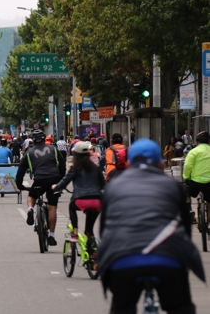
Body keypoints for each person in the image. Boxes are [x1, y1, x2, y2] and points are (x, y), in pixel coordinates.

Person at [98, 139, 204, 314]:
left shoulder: (114, 187)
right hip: (167, 258)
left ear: (129, 162)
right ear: (159, 163)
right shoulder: (172, 186)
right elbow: (185, 228)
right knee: (181, 307)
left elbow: (105, 230)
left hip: (124, 259)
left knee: (122, 307)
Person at [16, 129, 66, 246]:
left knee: (32, 196)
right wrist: (60, 181)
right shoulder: (53, 149)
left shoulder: (29, 152)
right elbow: (62, 166)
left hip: (39, 179)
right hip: (54, 179)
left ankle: (30, 209)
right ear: (44, 139)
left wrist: (20, 185)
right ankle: (52, 236)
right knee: (52, 207)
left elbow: (20, 171)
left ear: (33, 141)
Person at [52, 141, 104, 240]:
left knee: (71, 207)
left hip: (80, 200)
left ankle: (75, 231)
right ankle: (91, 243)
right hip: (97, 201)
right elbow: (103, 185)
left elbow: (64, 182)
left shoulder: (75, 168)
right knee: (89, 229)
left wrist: (55, 187)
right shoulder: (96, 168)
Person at [183, 131, 210, 220]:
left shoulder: (193, 152)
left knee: (186, 194)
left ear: (197, 141)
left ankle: (189, 211)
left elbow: (187, 166)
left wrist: (186, 177)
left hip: (195, 182)